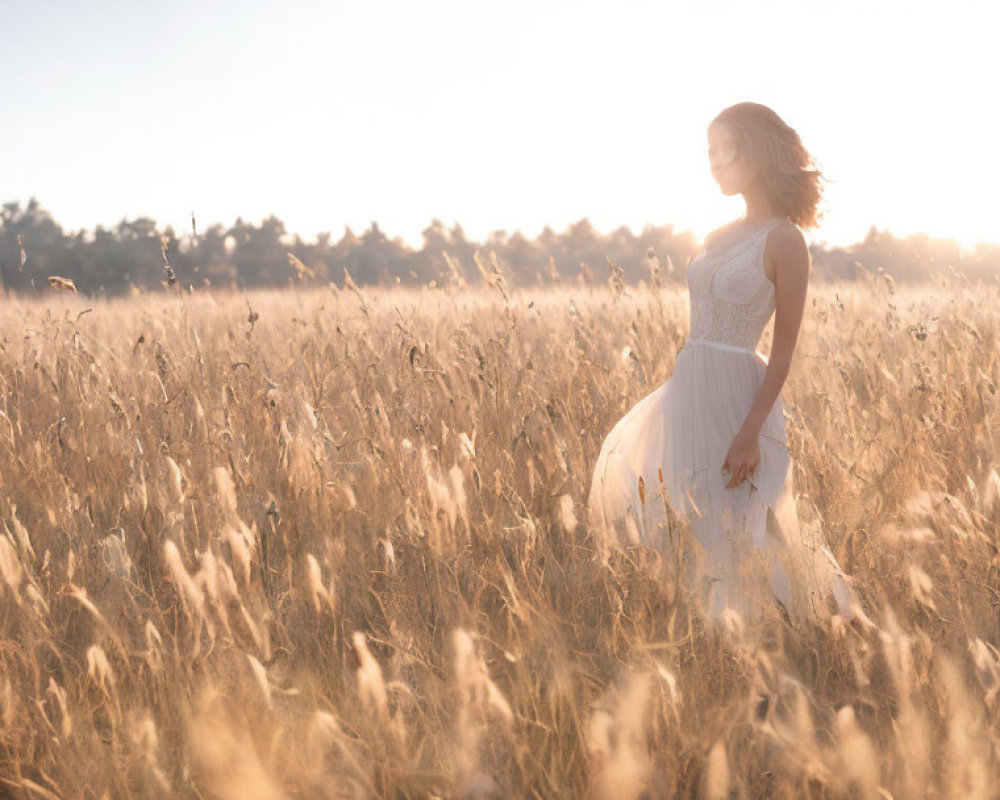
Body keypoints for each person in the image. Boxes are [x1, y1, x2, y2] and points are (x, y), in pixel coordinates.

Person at [587, 102, 864, 629]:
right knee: (692, 526)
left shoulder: (786, 241)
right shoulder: (715, 236)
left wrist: (751, 431)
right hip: (690, 391)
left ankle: (808, 635)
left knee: (753, 526)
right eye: (708, 152)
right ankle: (714, 644)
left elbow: (783, 349)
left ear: (754, 153)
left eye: (722, 150)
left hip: (741, 400)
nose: (712, 162)